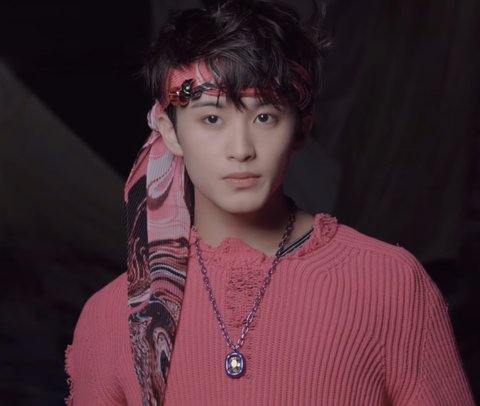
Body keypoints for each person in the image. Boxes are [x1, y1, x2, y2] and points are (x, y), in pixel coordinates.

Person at [65, 1, 475, 405]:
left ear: (300, 131)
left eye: (265, 117)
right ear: (170, 133)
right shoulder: (113, 315)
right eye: (211, 118)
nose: (241, 149)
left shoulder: (391, 284)